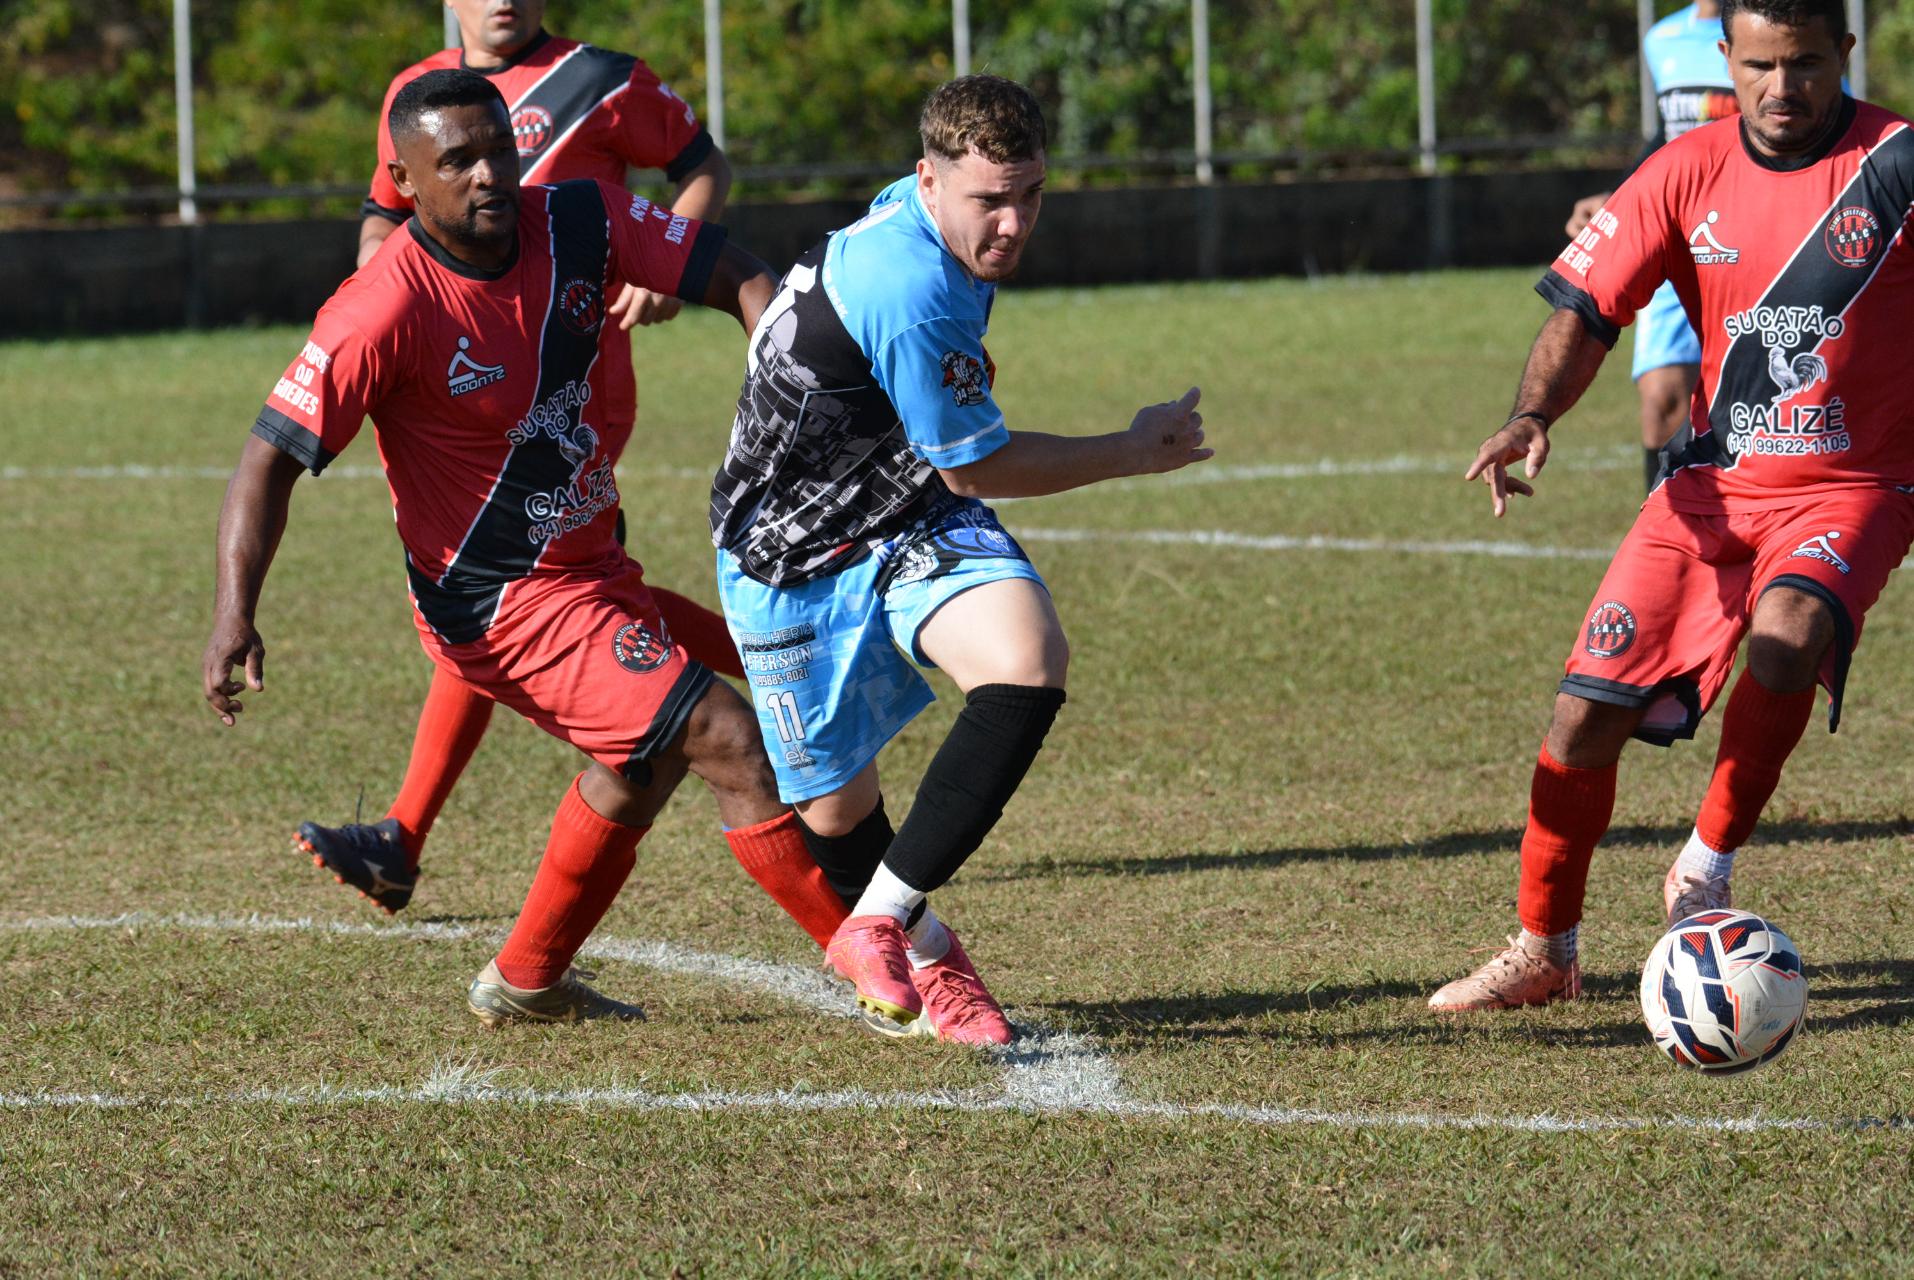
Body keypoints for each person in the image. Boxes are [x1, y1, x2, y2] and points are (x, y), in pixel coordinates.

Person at [203, 70, 847, 1025]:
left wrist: (794, 401)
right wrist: (234, 613)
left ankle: (528, 978)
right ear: (403, 183)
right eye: (456, 161)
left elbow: (744, 276)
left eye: (498, 149)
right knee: (722, 735)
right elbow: (267, 461)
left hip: (590, 564)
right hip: (496, 598)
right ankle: (893, 971)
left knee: (644, 762)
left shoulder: (581, 217)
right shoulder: (378, 310)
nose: (487, 174)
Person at [1430, 0, 1914, 1011]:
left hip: (1856, 486)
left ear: (1845, 54)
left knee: (1789, 633)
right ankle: (1545, 948)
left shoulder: (1898, 163)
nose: (1783, 89)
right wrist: (1529, 415)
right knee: (1582, 716)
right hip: (1711, 486)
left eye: (1807, 64)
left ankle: (1705, 864)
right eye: (1760, 65)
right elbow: (1586, 310)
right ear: (1725, 57)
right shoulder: (1683, 169)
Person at [709, 76, 1211, 1045]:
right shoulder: (910, 289)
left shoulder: (923, 218)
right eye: (991, 200)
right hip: (787, 550)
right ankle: (934, 955)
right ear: (928, 181)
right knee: (836, 815)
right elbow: (978, 465)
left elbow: (947, 471)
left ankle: (877, 923)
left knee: (1027, 659)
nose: (1013, 224)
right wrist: (1129, 448)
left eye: (1031, 194)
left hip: (906, 510)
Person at [299, 0, 744, 912]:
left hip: (569, 393)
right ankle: (793, 670)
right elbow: (382, 220)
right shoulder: (419, 93)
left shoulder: (603, 77)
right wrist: (381, 296)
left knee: (514, 593)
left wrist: (664, 267)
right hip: (455, 395)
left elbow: (704, 169)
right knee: (522, 594)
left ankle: (406, 833)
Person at [1564, 0, 1737, 493]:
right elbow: (1666, 136)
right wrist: (1617, 198)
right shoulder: (1662, 39)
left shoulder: (1774, 25)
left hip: (1748, 241)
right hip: (1677, 239)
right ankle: (1665, 533)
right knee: (1662, 401)